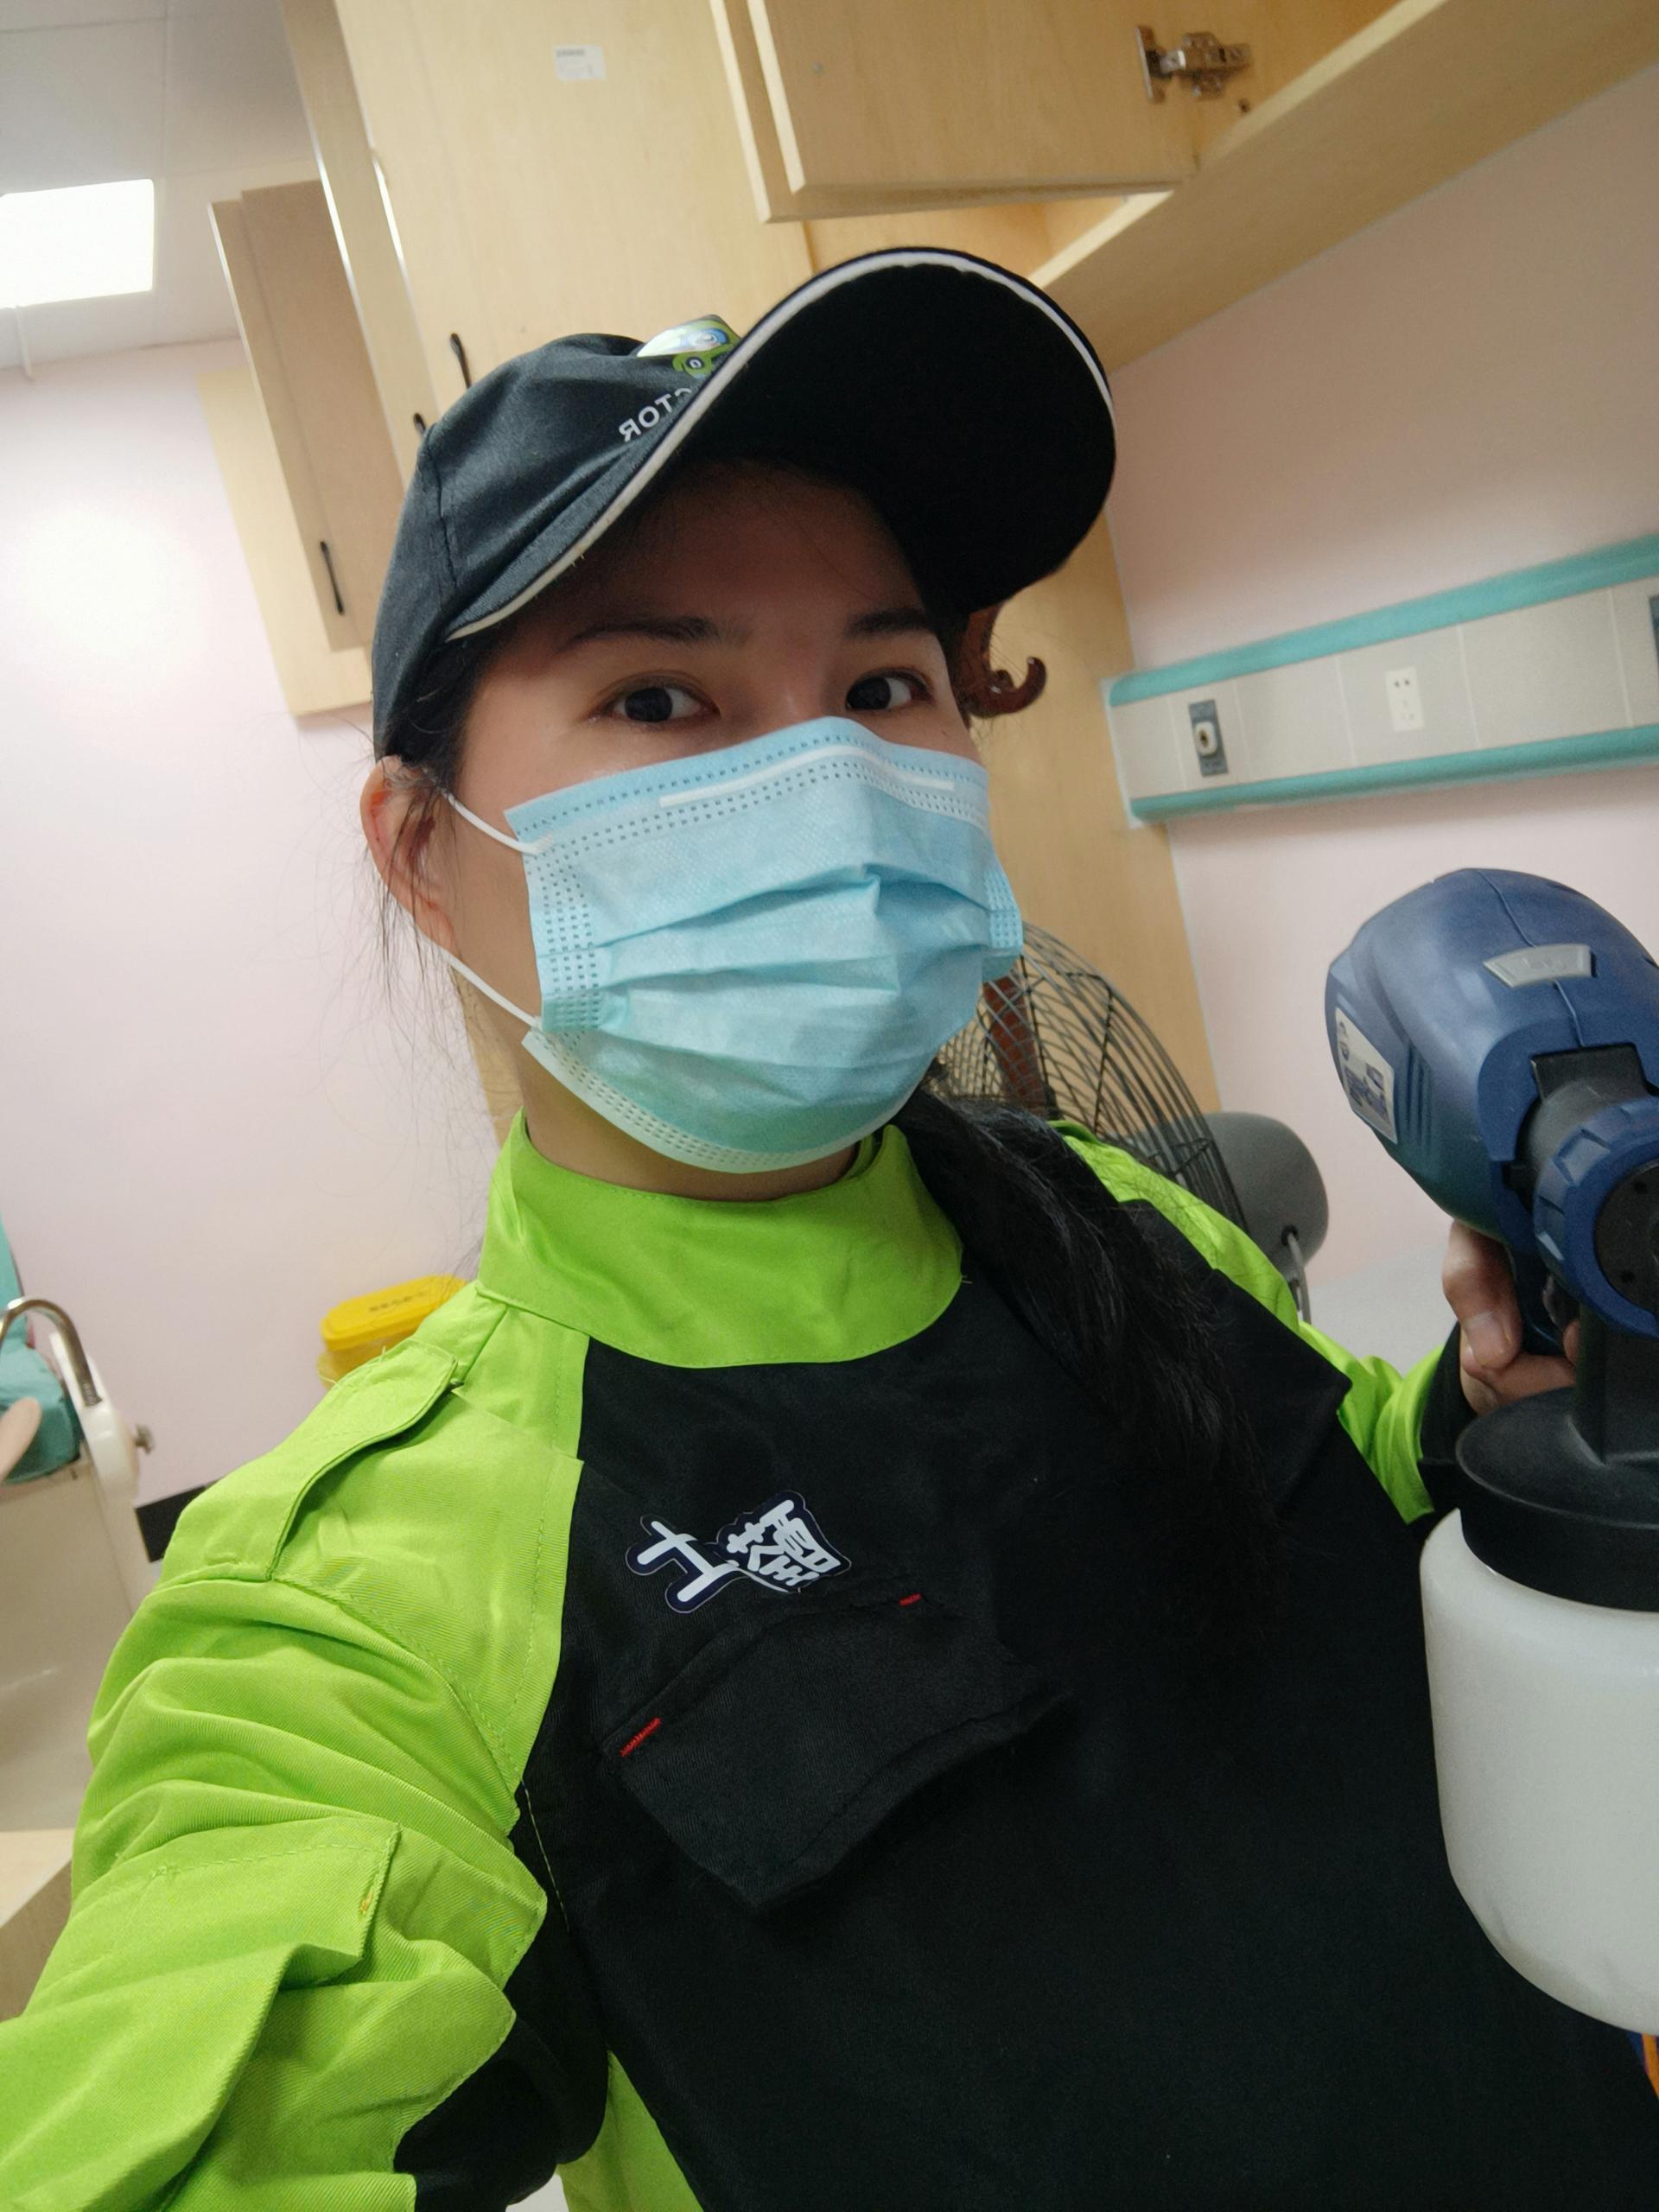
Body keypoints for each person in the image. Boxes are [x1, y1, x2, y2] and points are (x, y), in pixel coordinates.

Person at [1, 250, 1654, 2212]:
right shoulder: (363, 1597)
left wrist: (1490, 1412)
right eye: (659, 694)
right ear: (424, 853)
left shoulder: (1111, 1215)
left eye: (882, 685)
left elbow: (1337, 1501)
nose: (827, 777)